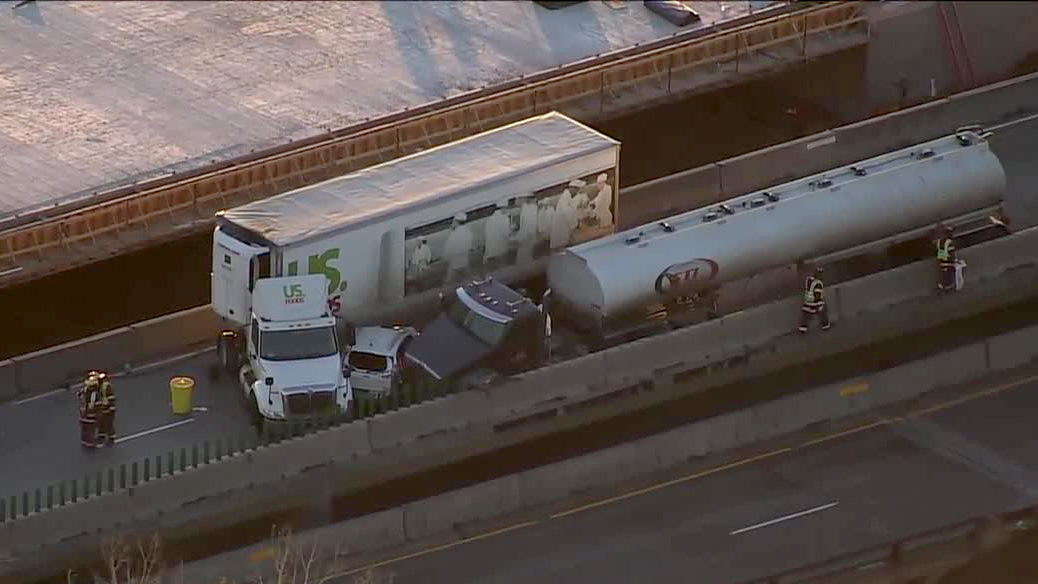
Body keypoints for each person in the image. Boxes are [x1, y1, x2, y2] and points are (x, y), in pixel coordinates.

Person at [798, 266, 831, 334]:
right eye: (821, 274)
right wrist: (819, 305)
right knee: (823, 310)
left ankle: (803, 329)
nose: (821, 276)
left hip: (806, 303)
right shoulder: (818, 283)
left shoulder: (808, 280)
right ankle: (826, 325)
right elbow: (817, 296)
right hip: (815, 304)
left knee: (806, 317)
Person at [444, 212, 473, 282]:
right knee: (468, 280)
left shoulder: (453, 234)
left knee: (449, 283)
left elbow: (447, 252)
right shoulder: (468, 232)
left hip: (454, 264)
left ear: (456, 222)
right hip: (465, 262)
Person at [483, 201, 512, 269]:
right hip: (501, 252)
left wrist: (485, 255)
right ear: (503, 208)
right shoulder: (504, 218)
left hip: (490, 254)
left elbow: (487, 239)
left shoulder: (489, 220)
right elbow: (507, 234)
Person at [514, 193, 539, 264]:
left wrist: (519, 237)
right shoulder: (525, 207)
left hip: (527, 238)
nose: (517, 201)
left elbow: (529, 226)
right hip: (525, 238)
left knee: (525, 257)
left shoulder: (531, 208)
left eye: (519, 199)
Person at [79, 372, 101, 449]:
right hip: (90, 415)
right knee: (91, 429)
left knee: (84, 429)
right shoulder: (94, 394)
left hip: (82, 414)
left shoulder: (83, 391)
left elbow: (79, 396)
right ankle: (91, 443)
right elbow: (95, 405)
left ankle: (84, 441)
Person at [935, 225, 958, 293]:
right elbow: (951, 252)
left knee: (944, 276)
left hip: (942, 262)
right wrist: (955, 261)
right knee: (949, 277)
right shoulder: (949, 242)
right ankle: (945, 288)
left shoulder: (939, 242)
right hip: (949, 262)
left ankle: (941, 287)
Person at [97, 372, 116, 446]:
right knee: (101, 422)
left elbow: (111, 398)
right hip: (102, 407)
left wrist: (111, 408)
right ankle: (101, 435)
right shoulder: (100, 386)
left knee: (108, 423)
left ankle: (111, 437)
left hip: (107, 408)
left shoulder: (107, 386)